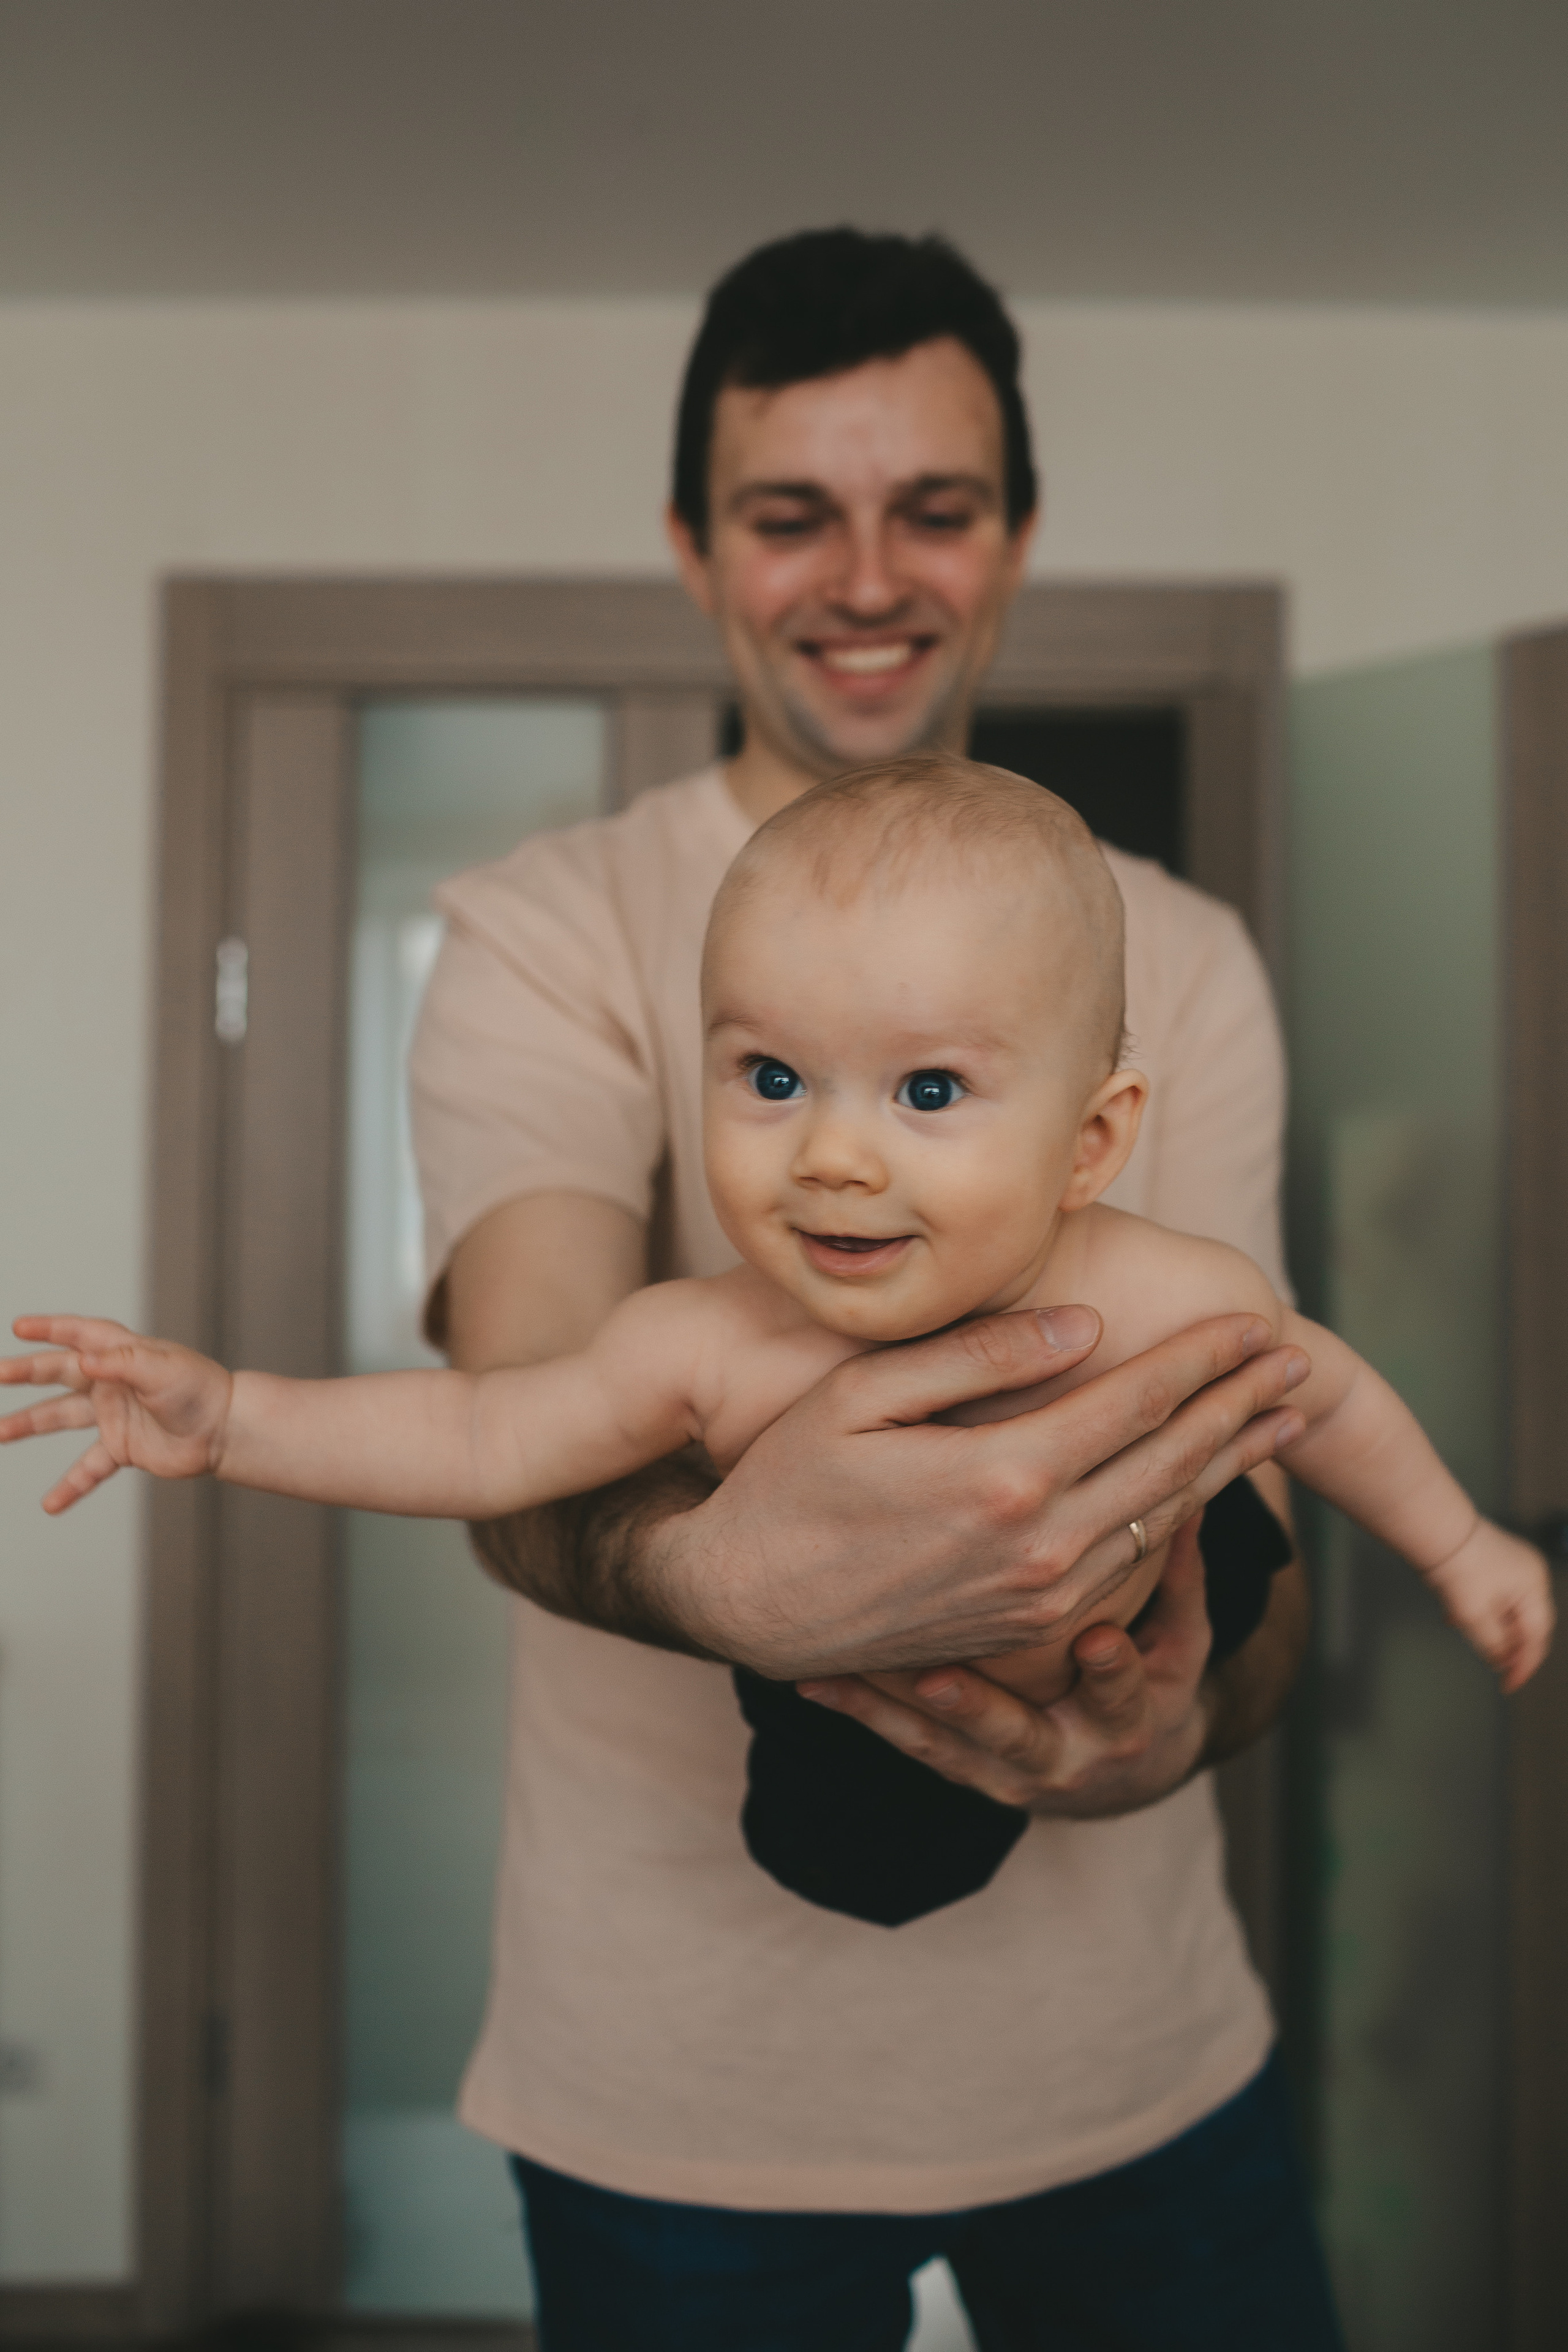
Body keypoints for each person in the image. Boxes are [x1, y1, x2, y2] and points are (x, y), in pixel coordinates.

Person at [399, 228, 1336, 2349]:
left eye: (936, 506)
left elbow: (1265, 1509)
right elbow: (530, 1412)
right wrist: (731, 1585)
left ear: (1013, 541)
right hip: (675, 2099)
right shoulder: (546, 930)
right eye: (790, 512)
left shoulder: (1175, 961)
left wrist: (1181, 1713)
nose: (868, 575)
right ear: (691, 544)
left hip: (1143, 2069)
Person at [5, 758, 1548, 1795]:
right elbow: (482, 1439)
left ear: (1092, 1142)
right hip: (830, 1752)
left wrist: (1458, 1545)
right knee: (823, 1816)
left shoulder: (1167, 1294)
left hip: (1112, 1725)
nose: (830, 1157)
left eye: (926, 1093)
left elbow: (1321, 1398)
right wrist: (228, 1421)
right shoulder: (707, 1342)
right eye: (768, 1077)